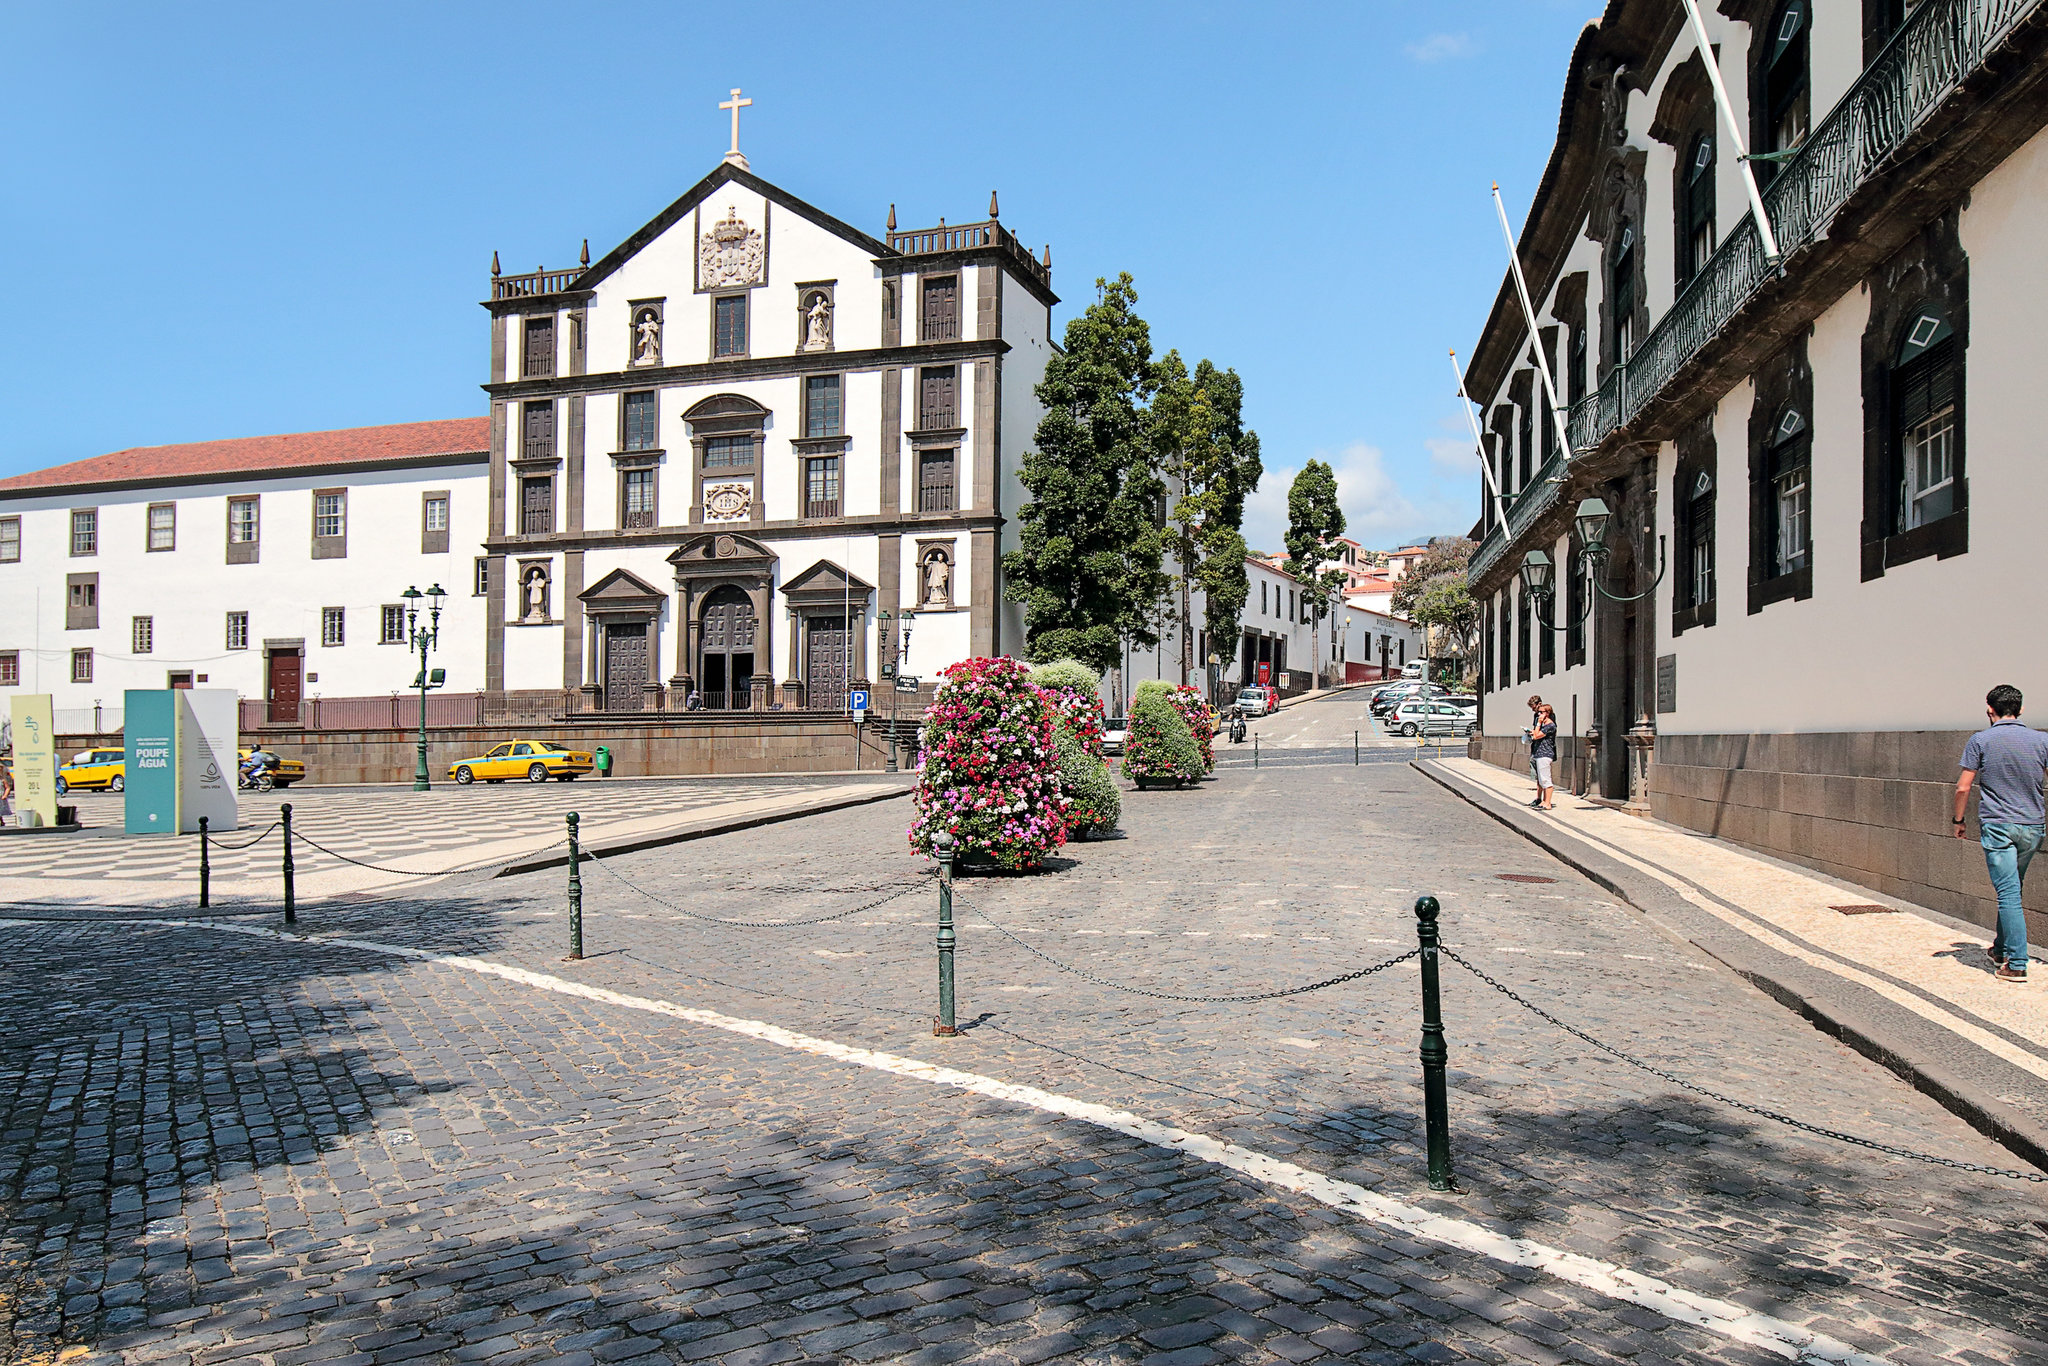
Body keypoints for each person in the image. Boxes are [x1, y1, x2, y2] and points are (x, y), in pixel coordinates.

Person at [1955, 684, 2048, 983]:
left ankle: (2017, 963)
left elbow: (1963, 786)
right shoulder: (2041, 740)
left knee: (2008, 892)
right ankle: (1999, 949)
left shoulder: (1981, 739)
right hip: (2033, 825)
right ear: (2020, 710)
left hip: (1998, 826)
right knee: (2013, 887)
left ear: (1990, 711)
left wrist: (1958, 820)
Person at [1531, 703, 1559, 811]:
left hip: (1545, 754)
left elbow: (1537, 736)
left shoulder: (1550, 726)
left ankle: (1548, 803)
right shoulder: (1544, 725)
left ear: (1547, 713)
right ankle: (1544, 801)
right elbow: (1535, 735)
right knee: (1542, 780)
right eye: (1538, 712)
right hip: (1539, 753)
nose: (1539, 714)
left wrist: (1538, 724)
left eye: (1541, 712)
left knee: (1546, 780)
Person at [1523, 695, 1546, 806]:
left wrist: (1535, 733)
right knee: (1538, 774)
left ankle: (1546, 800)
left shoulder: (1547, 717)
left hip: (1544, 748)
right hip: (1536, 746)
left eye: (1533, 707)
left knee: (1544, 775)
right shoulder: (1536, 716)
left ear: (1539, 704)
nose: (1533, 709)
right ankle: (1538, 798)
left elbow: (1545, 731)